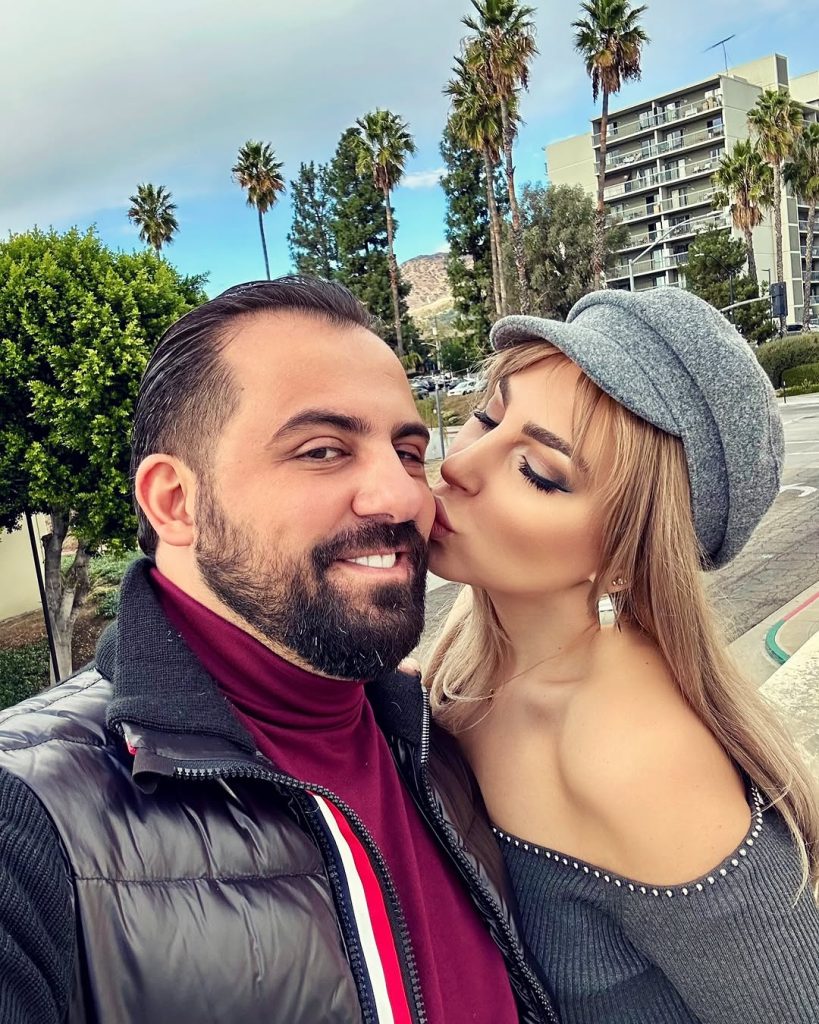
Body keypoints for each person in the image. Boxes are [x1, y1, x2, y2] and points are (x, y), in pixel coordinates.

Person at [0, 277, 556, 1024]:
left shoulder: (440, 741)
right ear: (175, 502)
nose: (402, 497)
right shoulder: (29, 821)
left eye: (407, 450)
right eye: (323, 450)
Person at [426, 287, 819, 1023]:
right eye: (486, 415)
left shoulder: (636, 758)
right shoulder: (464, 664)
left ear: (623, 558)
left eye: (538, 472)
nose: (462, 464)